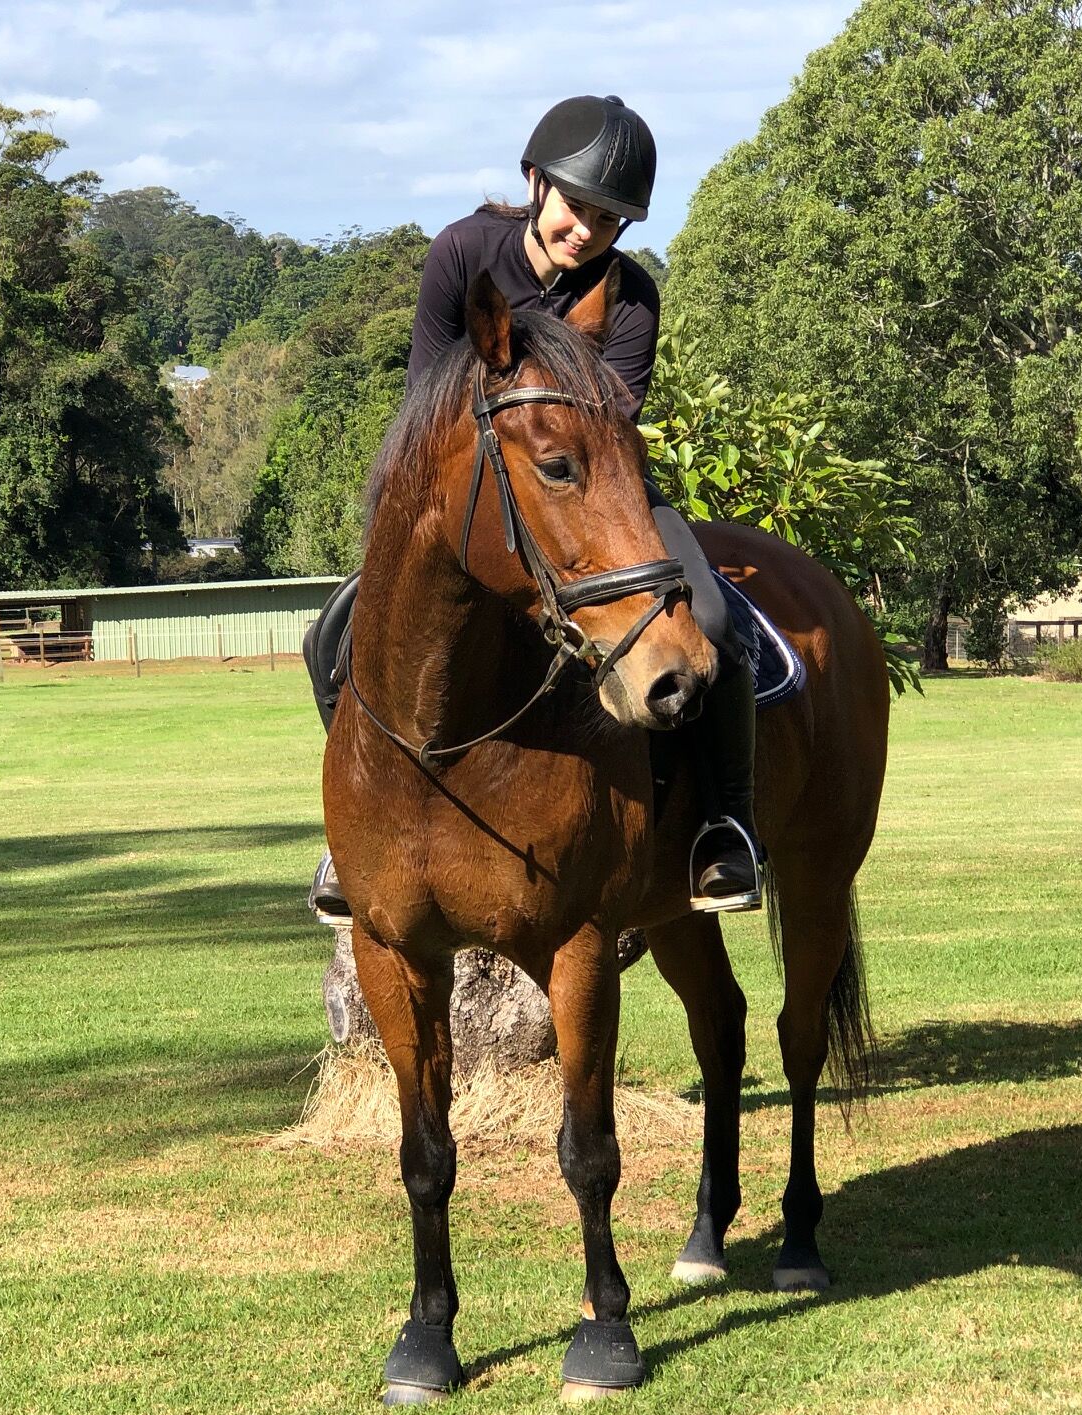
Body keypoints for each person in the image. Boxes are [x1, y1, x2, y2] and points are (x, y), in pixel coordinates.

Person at [306, 94, 763, 921]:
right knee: (331, 636)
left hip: (596, 494)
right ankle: (358, 832)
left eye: (608, 219)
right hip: (463, 495)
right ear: (535, 182)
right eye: (576, 207)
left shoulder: (631, 299)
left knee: (721, 629)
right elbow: (424, 405)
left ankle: (725, 824)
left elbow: (606, 438)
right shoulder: (461, 253)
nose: (586, 231)